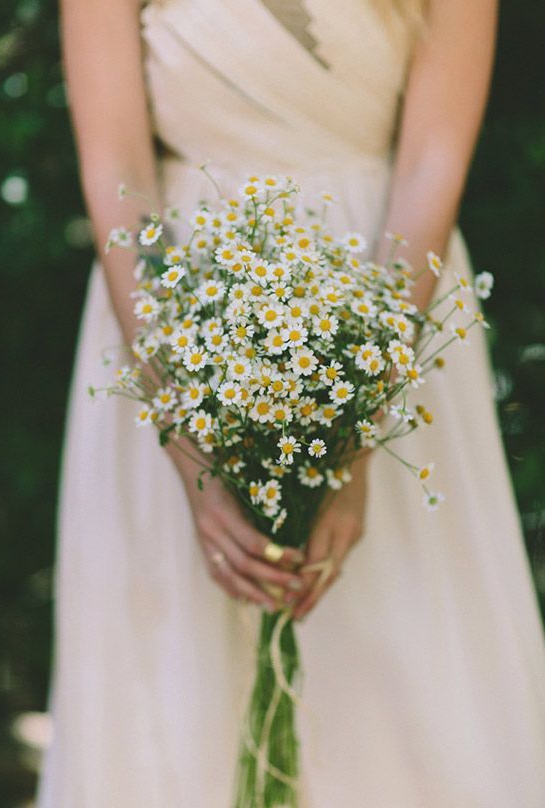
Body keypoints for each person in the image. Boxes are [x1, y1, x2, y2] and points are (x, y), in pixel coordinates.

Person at [38, 0, 545, 805]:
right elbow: (116, 172)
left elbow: (431, 163)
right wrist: (183, 438)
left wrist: (361, 429)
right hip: (174, 310)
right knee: (175, 688)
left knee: (402, 695)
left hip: (385, 291)